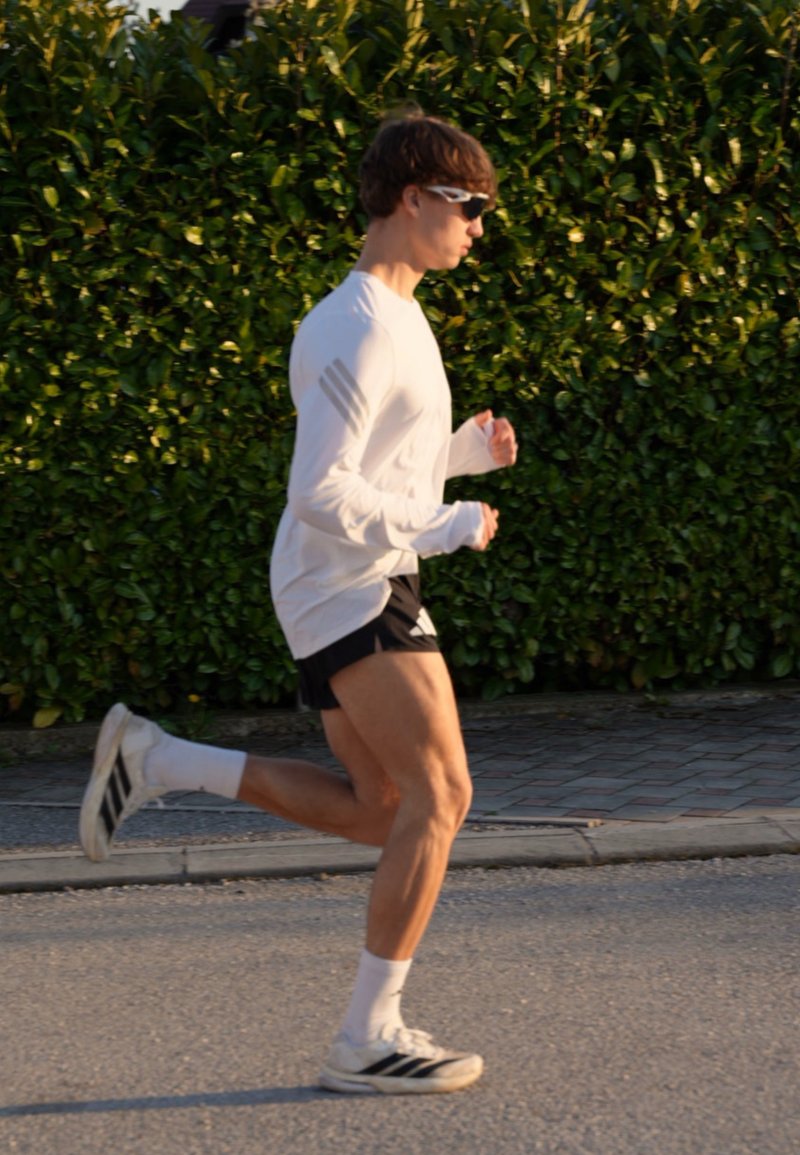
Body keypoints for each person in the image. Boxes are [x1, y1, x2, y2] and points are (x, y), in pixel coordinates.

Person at [80, 108, 518, 1095]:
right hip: (345, 582)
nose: (479, 226)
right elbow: (317, 493)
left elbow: (376, 470)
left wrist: (456, 459)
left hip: (346, 579)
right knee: (441, 798)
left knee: (386, 809)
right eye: (470, 206)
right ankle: (367, 1036)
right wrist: (445, 524)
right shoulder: (354, 327)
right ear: (414, 198)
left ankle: (160, 759)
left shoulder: (399, 317)